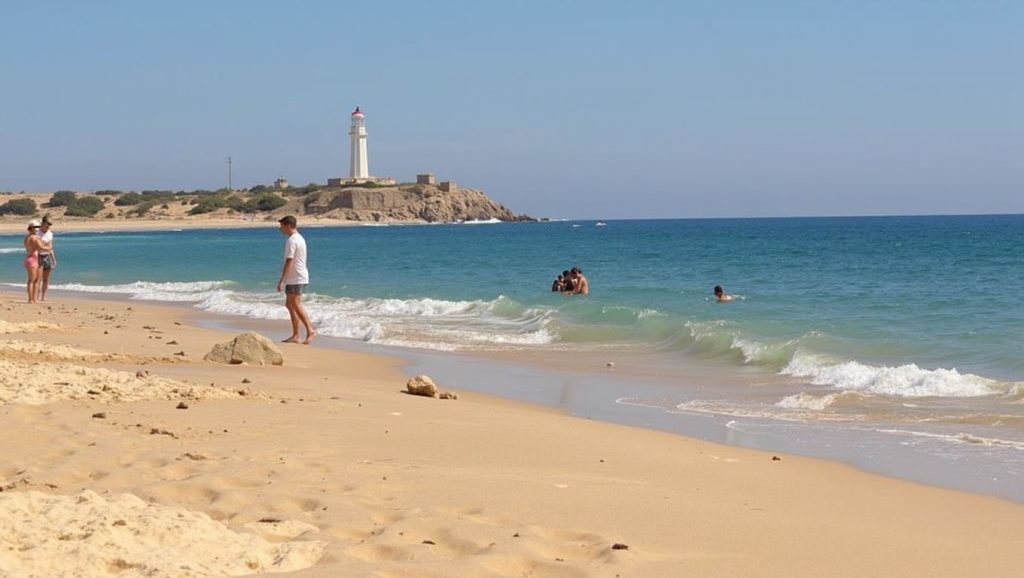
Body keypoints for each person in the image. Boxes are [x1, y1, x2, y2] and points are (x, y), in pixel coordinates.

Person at [276, 215, 315, 344]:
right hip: (296, 277)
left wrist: (282, 280)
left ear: (288, 226)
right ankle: (296, 335)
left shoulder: (292, 240)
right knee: (289, 304)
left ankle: (310, 330)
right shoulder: (299, 238)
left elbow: (289, 261)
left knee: (296, 304)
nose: (281, 230)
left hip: (297, 277)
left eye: (281, 227)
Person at [23, 220, 46, 303]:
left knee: (34, 280)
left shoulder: (27, 237)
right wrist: (49, 248)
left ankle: (33, 299)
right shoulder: (34, 237)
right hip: (33, 259)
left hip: (31, 259)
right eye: (36, 227)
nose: (37, 229)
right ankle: (31, 299)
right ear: (31, 228)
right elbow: (42, 247)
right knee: (33, 280)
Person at [36, 216, 56, 302]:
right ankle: (36, 296)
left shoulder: (50, 233)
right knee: (38, 278)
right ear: (42, 224)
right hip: (39, 256)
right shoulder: (37, 233)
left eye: (49, 226)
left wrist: (53, 258)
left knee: (46, 279)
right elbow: (38, 246)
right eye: (47, 226)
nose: (48, 228)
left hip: (47, 256)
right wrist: (45, 247)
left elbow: (50, 247)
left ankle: (43, 297)